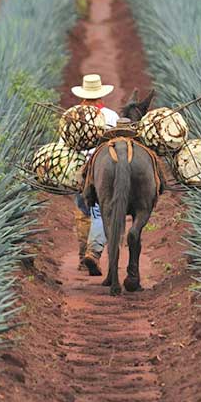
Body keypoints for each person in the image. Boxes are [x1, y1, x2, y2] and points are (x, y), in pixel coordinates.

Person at [70, 74, 119, 276]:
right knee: (101, 212)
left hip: (81, 170)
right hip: (106, 169)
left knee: (83, 213)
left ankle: (84, 256)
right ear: (101, 97)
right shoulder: (111, 115)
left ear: (83, 96)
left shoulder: (72, 115)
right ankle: (94, 252)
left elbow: (65, 145)